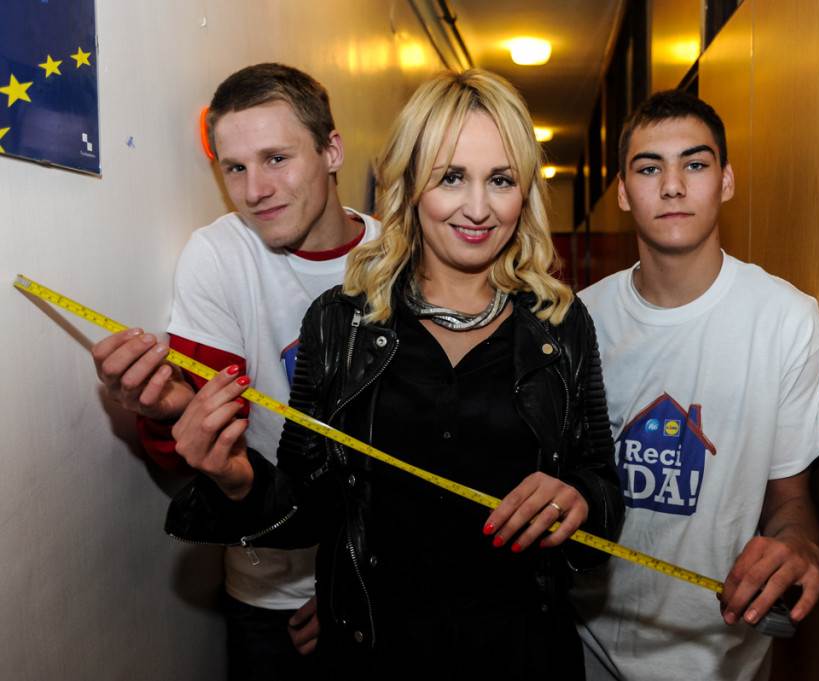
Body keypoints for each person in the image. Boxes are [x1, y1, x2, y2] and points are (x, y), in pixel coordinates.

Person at [164, 68, 625, 679]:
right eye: (451, 177)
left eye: (501, 179)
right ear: (409, 184)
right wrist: (234, 478)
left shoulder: (560, 323)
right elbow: (308, 506)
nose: (478, 208)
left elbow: (603, 488)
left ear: (524, 192)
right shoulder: (340, 322)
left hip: (522, 651)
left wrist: (581, 498)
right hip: (376, 650)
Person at [89, 63, 380, 679]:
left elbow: (431, 451)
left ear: (331, 151)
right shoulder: (218, 255)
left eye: (277, 158)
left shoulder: (399, 260)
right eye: (235, 168)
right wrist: (162, 408)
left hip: (389, 581)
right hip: (269, 592)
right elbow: (202, 444)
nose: (255, 191)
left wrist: (352, 582)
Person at [572, 90, 819, 681]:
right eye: (649, 168)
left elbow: (790, 498)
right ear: (622, 191)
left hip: (724, 658)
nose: (672, 186)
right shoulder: (579, 321)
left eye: (694, 164)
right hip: (587, 643)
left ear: (726, 181)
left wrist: (801, 547)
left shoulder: (785, 319)